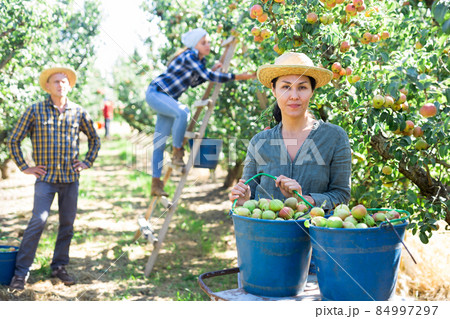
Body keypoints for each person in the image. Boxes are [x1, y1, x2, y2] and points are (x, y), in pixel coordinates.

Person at [7, 66, 101, 290]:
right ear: (47, 86)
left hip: (70, 179)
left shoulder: (78, 111)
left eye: (64, 81)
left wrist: (87, 161)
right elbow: (13, 140)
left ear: (69, 86)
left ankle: (59, 266)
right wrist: (24, 167)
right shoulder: (35, 111)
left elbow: (95, 139)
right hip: (46, 179)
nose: (61, 84)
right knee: (37, 221)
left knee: (67, 224)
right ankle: (21, 272)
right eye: (56, 81)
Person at [229, 52, 352, 211]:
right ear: (274, 90)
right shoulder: (259, 142)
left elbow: (342, 196)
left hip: (315, 234)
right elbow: (248, 196)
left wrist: (304, 200)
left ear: (312, 91)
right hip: (266, 234)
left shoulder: (334, 137)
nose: (294, 96)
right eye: (286, 87)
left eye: (302, 87)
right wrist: (242, 200)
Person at [146, 27, 256, 197]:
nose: (208, 44)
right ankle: (177, 152)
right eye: (203, 42)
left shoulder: (198, 61)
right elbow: (210, 77)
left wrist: (211, 69)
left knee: (159, 142)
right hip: (156, 93)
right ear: (194, 45)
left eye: (208, 41)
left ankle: (155, 184)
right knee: (183, 112)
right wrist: (240, 76)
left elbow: (195, 82)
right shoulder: (190, 55)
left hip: (166, 99)